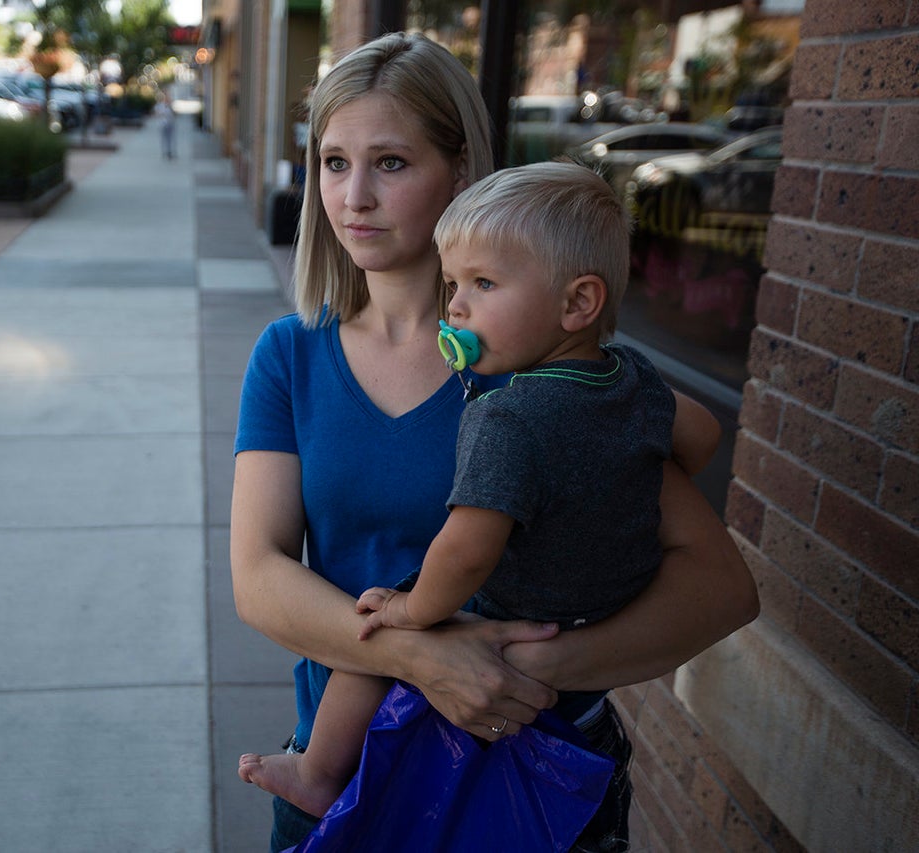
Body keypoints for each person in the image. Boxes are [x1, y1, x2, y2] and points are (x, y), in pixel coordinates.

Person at [229, 32, 758, 853]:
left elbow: (721, 588)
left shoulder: (546, 372)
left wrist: (525, 670)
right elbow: (259, 578)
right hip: (337, 775)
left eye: (391, 163)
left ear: (464, 174)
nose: (354, 195)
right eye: (334, 161)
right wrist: (423, 659)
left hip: (525, 781)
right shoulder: (290, 353)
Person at [155, 91, 175, 159]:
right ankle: (164, 152)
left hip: (170, 124)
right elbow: (157, 114)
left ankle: (169, 152)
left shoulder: (170, 105)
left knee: (170, 139)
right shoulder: (160, 105)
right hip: (162, 124)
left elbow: (173, 114)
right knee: (163, 139)